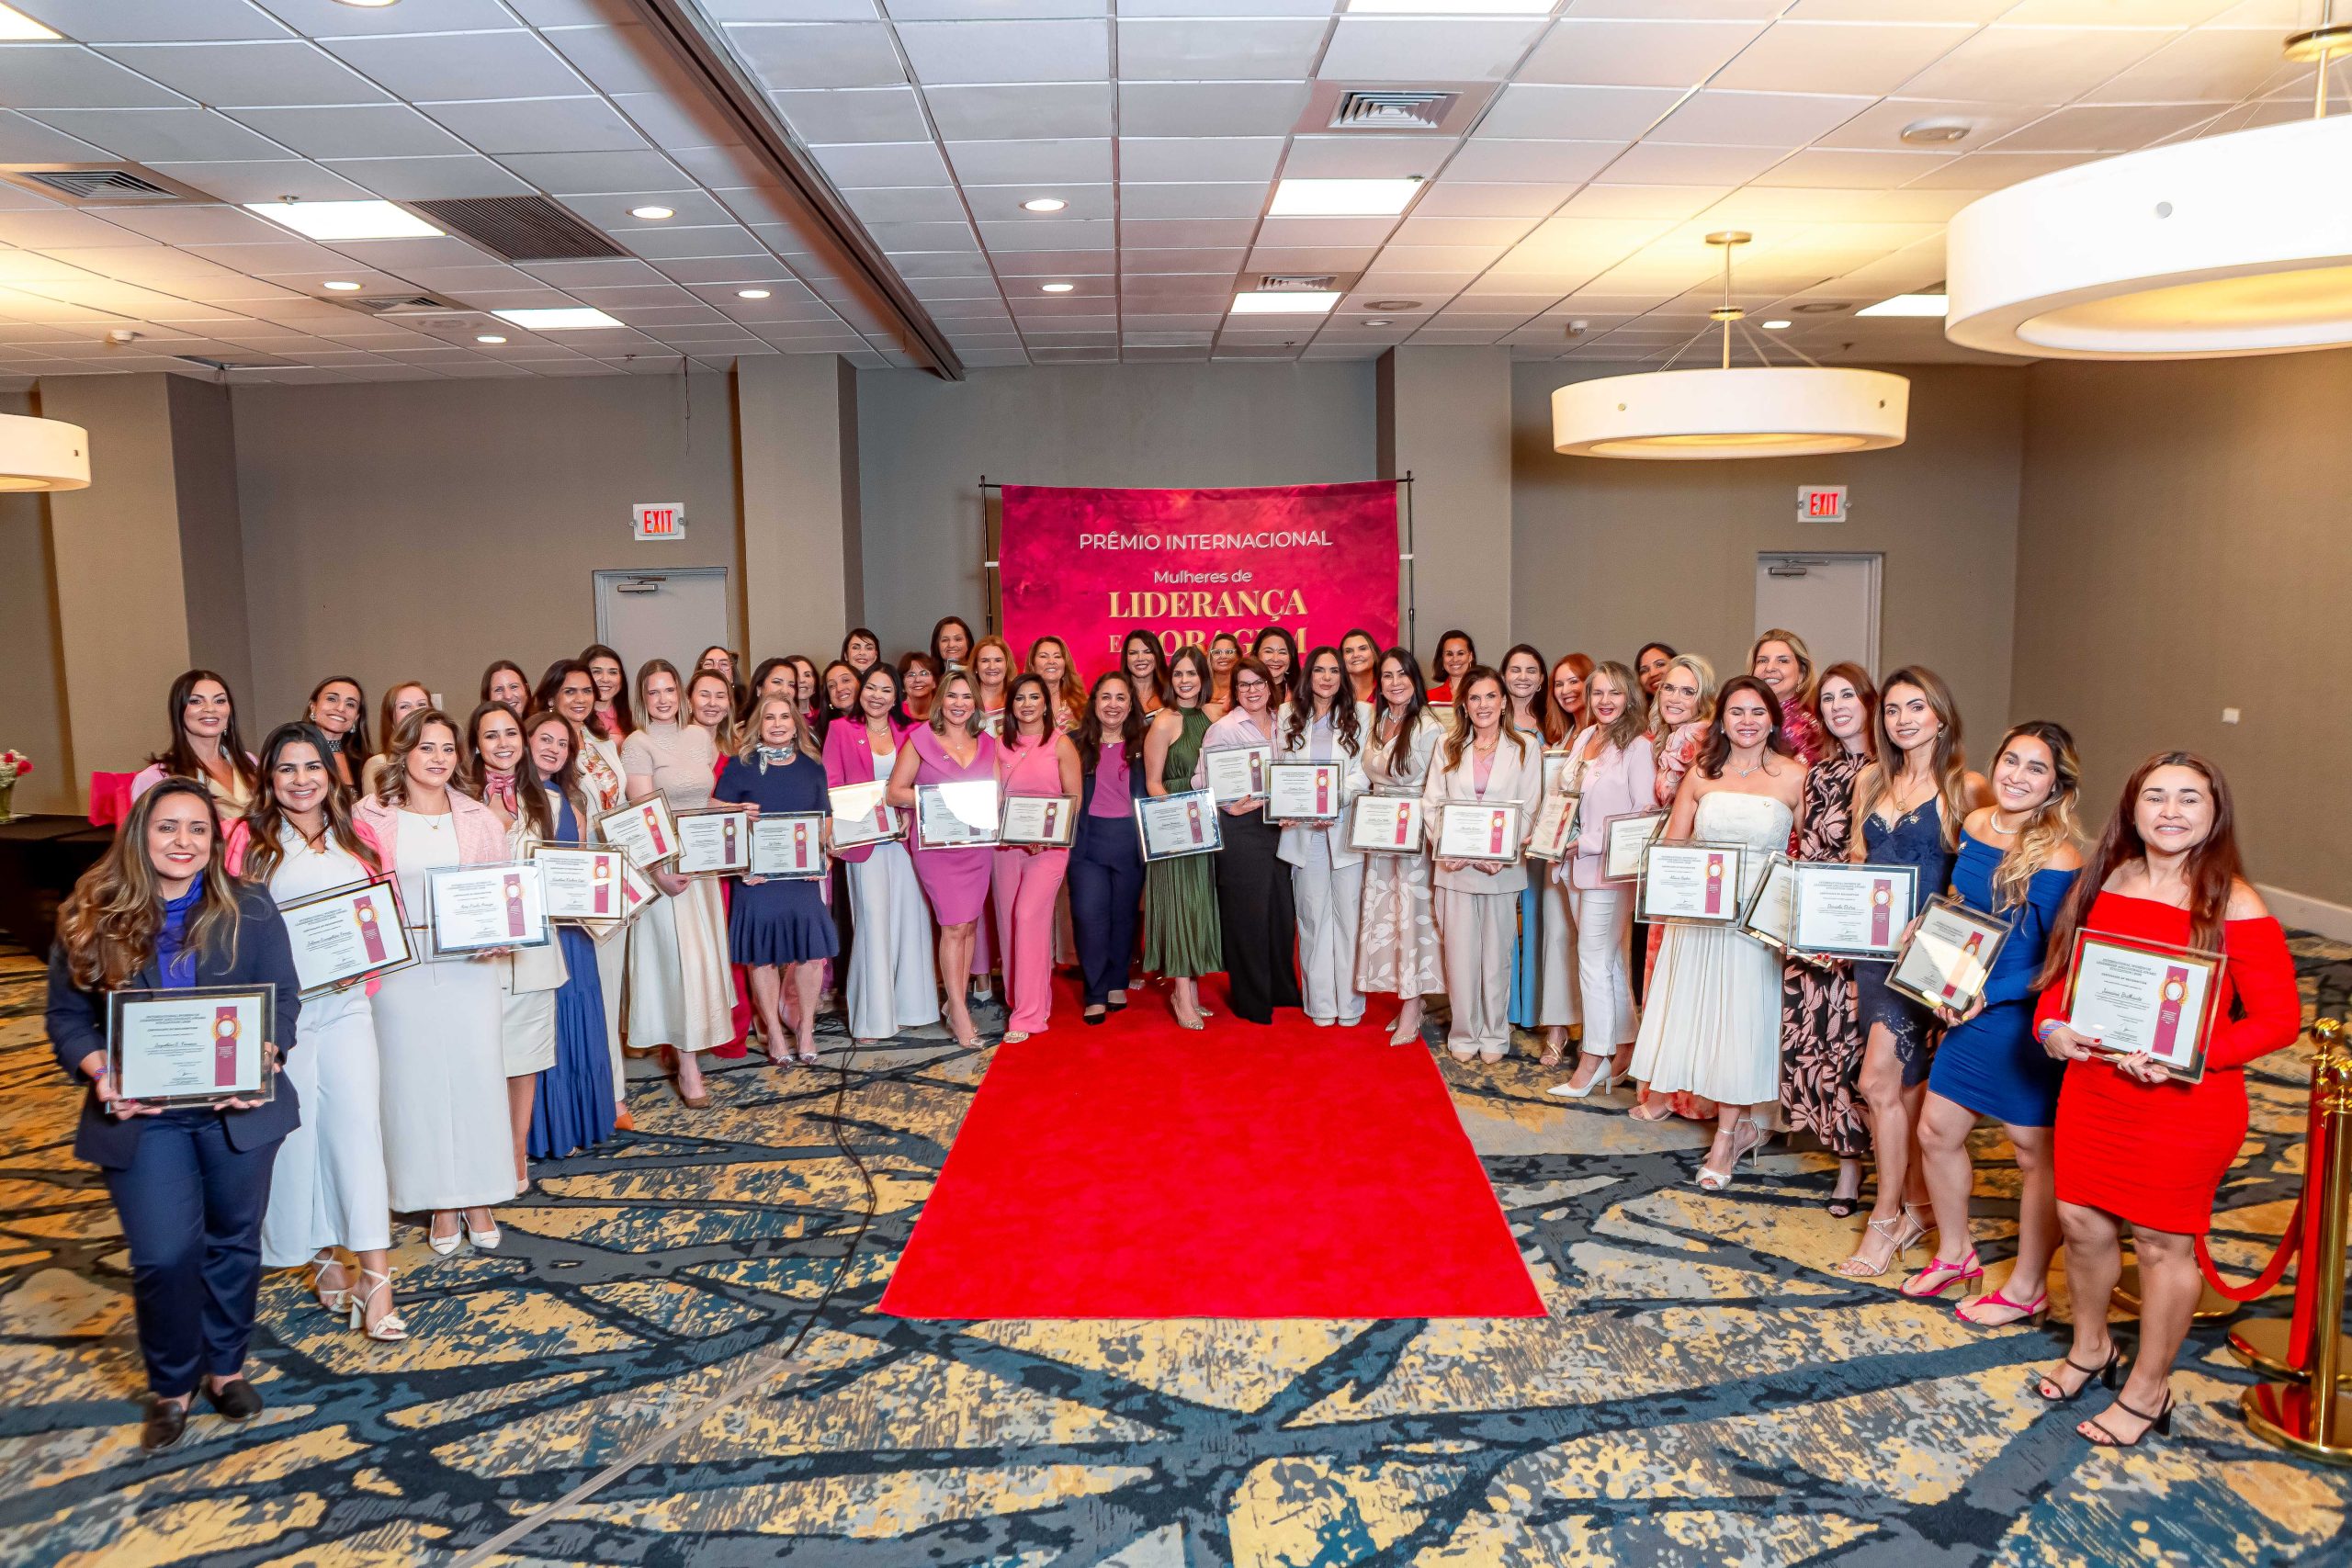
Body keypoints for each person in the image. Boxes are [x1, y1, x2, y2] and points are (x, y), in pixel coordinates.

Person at [2030, 753, 2298, 1448]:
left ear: (2215, 814)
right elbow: (2068, 974)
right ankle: (2092, 1347)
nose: (2171, 811)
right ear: (2132, 807)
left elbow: (2278, 1019)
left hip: (2186, 1101)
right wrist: (2053, 1025)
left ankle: (2150, 1388)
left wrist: (2191, 1057)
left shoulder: (2232, 899)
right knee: (2080, 1221)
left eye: (2189, 798)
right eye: (2155, 796)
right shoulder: (2109, 877)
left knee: (2160, 1244)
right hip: (2096, 1085)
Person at [46, 779, 303, 1450]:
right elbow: (67, 1017)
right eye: (168, 827)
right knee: (163, 1254)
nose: (183, 841)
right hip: (142, 1113)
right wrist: (101, 1072)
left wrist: (266, 1056)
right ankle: (171, 1381)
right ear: (140, 833)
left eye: (198, 828)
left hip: (235, 1108)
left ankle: (225, 1367)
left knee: (233, 1242)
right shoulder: (92, 908)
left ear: (215, 841)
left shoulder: (249, 905)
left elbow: (282, 998)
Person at [231, 724, 401, 1342]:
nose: (301, 780)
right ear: (268, 780)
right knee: (299, 1140)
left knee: (359, 1130)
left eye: (313, 766)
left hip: (351, 1005)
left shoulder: (359, 834)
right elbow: (235, 935)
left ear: (330, 772)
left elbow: (388, 911)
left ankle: (377, 1278)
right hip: (285, 1018)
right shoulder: (249, 844)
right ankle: (323, 1253)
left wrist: (373, 960)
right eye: (286, 769)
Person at [1909, 722, 2084, 1321]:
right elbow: (1965, 908)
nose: (2017, 775)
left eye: (2036, 768)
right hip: (1966, 1002)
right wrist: (1929, 940)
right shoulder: (1977, 822)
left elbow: (2054, 958)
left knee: (2033, 1153)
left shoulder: (2059, 855)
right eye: (2011, 759)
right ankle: (1957, 1252)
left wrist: (1989, 993)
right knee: (1936, 1131)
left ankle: (2029, 1283)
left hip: (2021, 1015)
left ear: (2056, 784)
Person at [1837, 666, 1991, 1278]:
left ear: (1941, 714)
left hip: (1928, 953)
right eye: (1894, 709)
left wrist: (1937, 923)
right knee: (1897, 1089)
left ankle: (1885, 1217)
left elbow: (1977, 880)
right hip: (1871, 950)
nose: (1903, 719)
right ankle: (1917, 1207)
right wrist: (1834, 922)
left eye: (1916, 707)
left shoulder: (1967, 786)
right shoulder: (1872, 778)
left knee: (1879, 1083)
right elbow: (1857, 860)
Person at [1627, 676, 1807, 1188]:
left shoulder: (1795, 776)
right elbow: (1671, 846)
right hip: (1702, 918)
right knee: (1708, 1019)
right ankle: (1740, 1121)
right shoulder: (1701, 774)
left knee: (1742, 1021)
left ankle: (1727, 1138)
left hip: (1757, 920)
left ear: (1772, 717)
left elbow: (1814, 855)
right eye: (1736, 711)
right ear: (1721, 719)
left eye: (1757, 711)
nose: (1747, 721)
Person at [353, 710, 515, 1258]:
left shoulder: (479, 817)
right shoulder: (369, 816)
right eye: (427, 748)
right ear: (403, 753)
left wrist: (501, 933)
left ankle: (479, 1197)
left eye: (448, 748)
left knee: (476, 1075)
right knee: (414, 1080)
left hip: (470, 964)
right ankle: (439, 1201)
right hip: (403, 967)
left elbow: (502, 893)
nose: (439, 758)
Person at [1776, 662, 1875, 1213]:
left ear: (1869, 702)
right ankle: (1847, 1165)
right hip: (1814, 929)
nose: (1838, 707)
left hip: (1859, 935)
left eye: (1848, 697)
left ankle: (1891, 1170)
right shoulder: (1818, 772)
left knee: (1855, 1051)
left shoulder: (1888, 771)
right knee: (1819, 1047)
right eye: (1829, 699)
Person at [622, 660, 734, 1106]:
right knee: (678, 963)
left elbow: (699, 798)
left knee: (700, 961)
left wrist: (732, 809)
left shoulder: (698, 737)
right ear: (642, 698)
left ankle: (685, 1049)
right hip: (666, 865)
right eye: (654, 692)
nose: (664, 699)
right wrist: (658, 874)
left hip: (701, 863)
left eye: (670, 690)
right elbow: (640, 815)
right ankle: (688, 1065)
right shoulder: (637, 744)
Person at [1548, 662, 1657, 1100]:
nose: (1604, 701)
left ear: (1630, 696)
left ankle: (1594, 1057)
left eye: (1614, 693)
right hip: (1575, 866)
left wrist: (1587, 841)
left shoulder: (1637, 747)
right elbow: (1566, 798)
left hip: (1609, 870)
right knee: (1606, 959)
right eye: (1597, 693)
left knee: (1592, 961)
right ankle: (1624, 1047)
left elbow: (1644, 814)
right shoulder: (1584, 738)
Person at [467, 702, 562, 1187]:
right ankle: (481, 1157)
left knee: (524, 1059)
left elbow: (561, 874)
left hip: (531, 951)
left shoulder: (548, 800)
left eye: (511, 733)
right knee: (479, 1056)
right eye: (490, 735)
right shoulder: (455, 801)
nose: (502, 744)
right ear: (476, 744)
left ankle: (517, 1153)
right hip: (476, 954)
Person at [1422, 668, 1540, 1062]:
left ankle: (1494, 1032)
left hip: (1500, 871)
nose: (1483, 705)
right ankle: (1463, 1031)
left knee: (1497, 955)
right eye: (1475, 698)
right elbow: (1432, 803)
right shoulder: (1447, 745)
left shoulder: (1524, 747)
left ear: (1504, 701)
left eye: (1491, 696)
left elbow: (1529, 807)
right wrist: (1444, 845)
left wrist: (1500, 854)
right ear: (1465, 705)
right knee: (1459, 955)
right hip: (1454, 869)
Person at [715, 695, 838, 1065]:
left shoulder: (812, 767)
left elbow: (825, 818)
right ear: (758, 723)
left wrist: (824, 852)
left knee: (812, 956)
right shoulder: (740, 766)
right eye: (770, 717)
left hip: (800, 877)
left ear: (796, 722)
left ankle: (805, 1030)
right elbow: (718, 817)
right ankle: (773, 1035)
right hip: (756, 879)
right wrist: (739, 863)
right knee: (762, 958)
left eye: (786, 716)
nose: (778, 723)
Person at [519, 710, 616, 1157]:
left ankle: (575, 1123)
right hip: (531, 930)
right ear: (526, 740)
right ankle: (538, 1131)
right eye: (545, 738)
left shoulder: (573, 806)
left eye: (562, 743)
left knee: (576, 1016)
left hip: (572, 931)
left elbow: (581, 874)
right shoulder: (505, 799)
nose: (554, 748)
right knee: (542, 1025)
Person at [826, 663, 940, 1043]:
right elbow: (832, 784)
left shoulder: (910, 732)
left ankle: (910, 1007)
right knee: (873, 921)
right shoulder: (842, 730)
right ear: (861, 691)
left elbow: (918, 782)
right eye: (871, 687)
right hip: (863, 842)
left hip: (902, 842)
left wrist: (908, 813)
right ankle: (872, 1019)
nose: (877, 696)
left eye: (886, 690)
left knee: (910, 919)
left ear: (897, 697)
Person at [538, 659, 629, 1129]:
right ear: (551, 696)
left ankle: (612, 1093)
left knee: (606, 990)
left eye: (587, 690)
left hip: (609, 881)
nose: (580, 699)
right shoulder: (543, 747)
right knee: (571, 995)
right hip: (565, 886)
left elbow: (624, 809)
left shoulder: (603, 745)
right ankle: (575, 1101)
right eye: (569, 691)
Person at [887, 670, 997, 1048]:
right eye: (953, 696)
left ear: (976, 704)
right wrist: (934, 801)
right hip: (937, 848)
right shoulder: (919, 740)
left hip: (977, 846)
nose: (960, 704)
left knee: (968, 926)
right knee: (952, 926)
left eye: (967, 697)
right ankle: (961, 1012)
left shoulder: (987, 744)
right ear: (941, 701)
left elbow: (996, 795)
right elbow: (895, 791)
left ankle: (956, 1001)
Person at [1195, 657, 1299, 1025]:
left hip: (1281, 827)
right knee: (1248, 917)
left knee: (1281, 915)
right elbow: (1200, 780)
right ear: (1234, 690)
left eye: (1259, 683)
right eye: (1244, 685)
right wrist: (1228, 805)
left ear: (1271, 686)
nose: (1252, 691)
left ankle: (1283, 992)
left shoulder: (1286, 723)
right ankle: (1252, 1001)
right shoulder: (1223, 729)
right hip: (1241, 828)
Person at [1276, 647, 1373, 1028]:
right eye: (1320, 670)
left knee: (1348, 917)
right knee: (1313, 917)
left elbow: (1363, 771)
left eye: (1334, 671)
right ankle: (1320, 1003)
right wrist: (1299, 806)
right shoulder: (1287, 714)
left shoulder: (1361, 714)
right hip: (1303, 833)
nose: (1327, 677)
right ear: (1309, 676)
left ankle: (1350, 1005)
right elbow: (1281, 770)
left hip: (1344, 827)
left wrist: (1329, 802)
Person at [1356, 648, 1445, 1045]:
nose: (1395, 682)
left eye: (1402, 674)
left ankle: (1414, 1003)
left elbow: (1437, 788)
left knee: (1412, 918)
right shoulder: (1377, 721)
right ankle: (1405, 995)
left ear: (1415, 678)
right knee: (1388, 918)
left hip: (1412, 835)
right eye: (1388, 675)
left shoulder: (1429, 726)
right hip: (1378, 835)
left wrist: (1423, 830)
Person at [994, 673, 1081, 1042]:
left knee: (1027, 917)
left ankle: (1029, 1015)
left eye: (1035, 697)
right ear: (1011, 705)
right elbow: (993, 798)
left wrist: (1045, 838)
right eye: (1020, 698)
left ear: (1047, 704)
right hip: (1005, 849)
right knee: (1007, 924)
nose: (1027, 704)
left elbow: (1073, 802)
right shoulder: (997, 745)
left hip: (1049, 850)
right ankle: (1021, 998)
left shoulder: (1061, 745)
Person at [1140, 646, 1223, 1031]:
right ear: (1170, 679)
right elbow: (1153, 783)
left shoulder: (1215, 715)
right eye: (1179, 674)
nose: (1185, 681)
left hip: (1210, 825)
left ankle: (1190, 990)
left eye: (1192, 674)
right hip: (1176, 828)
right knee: (1179, 904)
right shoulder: (1164, 722)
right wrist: (1180, 817)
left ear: (1204, 677)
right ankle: (1182, 992)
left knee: (1200, 905)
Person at [1066, 671, 1151, 1025]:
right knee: (1089, 916)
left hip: (1130, 841)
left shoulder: (1145, 744)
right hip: (1087, 842)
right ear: (1094, 702)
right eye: (1106, 697)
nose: (1112, 705)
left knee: (1124, 916)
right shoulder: (1073, 743)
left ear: (1131, 705)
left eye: (1120, 698)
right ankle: (1095, 991)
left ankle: (1117, 981)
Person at [1502, 646, 1574, 1063]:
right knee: (1501, 924)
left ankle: (1544, 1014)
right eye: (1516, 669)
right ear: (1503, 674)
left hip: (1546, 840)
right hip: (1504, 836)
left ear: (1542, 677)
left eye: (1532, 670)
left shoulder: (1557, 721)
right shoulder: (1490, 714)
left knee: (1546, 924)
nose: (1523, 677)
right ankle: (1507, 1007)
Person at [131, 669, 260, 813]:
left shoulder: (251, 763)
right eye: (196, 701)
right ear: (178, 712)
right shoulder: (155, 778)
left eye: (220, 701)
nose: (210, 709)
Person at [1751, 629, 1827, 764]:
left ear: (1802, 674)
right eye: (1762, 661)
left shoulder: (1804, 728)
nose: (1770, 668)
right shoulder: (1740, 717)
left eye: (1782, 661)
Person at [359, 682, 431, 798]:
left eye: (422, 705)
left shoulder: (447, 758)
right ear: (391, 719)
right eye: (404, 706)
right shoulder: (379, 764)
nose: (415, 711)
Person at [304, 676, 368, 789]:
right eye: (332, 699)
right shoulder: (292, 754)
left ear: (356, 717)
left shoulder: (366, 763)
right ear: (313, 707)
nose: (340, 708)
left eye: (350, 704)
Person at [1027, 635, 1087, 732]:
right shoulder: (1022, 704)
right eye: (1043, 656)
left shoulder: (1081, 704)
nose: (1051, 661)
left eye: (1057, 656)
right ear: (1032, 665)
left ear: (1065, 665)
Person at [580, 645, 636, 742]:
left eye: (613, 672)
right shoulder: (574, 719)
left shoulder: (635, 719)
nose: (605, 679)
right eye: (597, 672)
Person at [1122, 628, 1174, 716]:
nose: (1140, 658)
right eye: (1133, 653)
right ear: (1126, 658)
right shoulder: (1116, 694)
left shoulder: (1172, 692)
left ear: (1157, 655)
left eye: (1147, 652)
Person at [689, 666, 741, 755]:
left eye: (720, 696)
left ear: (729, 704)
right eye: (704, 695)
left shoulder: (738, 750)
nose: (712, 703)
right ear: (689, 701)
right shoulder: (672, 745)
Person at [970, 634, 1015, 734]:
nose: (992, 667)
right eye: (985, 661)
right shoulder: (966, 702)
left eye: (998, 660)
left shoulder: (1018, 700)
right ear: (976, 667)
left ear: (1007, 665)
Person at [1251, 626, 1300, 706]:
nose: (1275, 659)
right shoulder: (1242, 691)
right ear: (1256, 654)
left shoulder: (1303, 693)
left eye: (1282, 652)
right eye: (1268, 651)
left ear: (1291, 657)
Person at [1427, 630, 1476, 705]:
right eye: (1449, 654)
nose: (1455, 659)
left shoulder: (1483, 693)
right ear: (1442, 658)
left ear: (1470, 656)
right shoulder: (1429, 697)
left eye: (1460, 653)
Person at [818, 659, 862, 741]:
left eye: (845, 680)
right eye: (831, 686)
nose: (839, 688)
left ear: (861, 683)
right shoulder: (824, 731)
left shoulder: (880, 722)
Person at [696, 645, 745, 716]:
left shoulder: (746, 715)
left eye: (724, 664)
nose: (716, 668)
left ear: (732, 677)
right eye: (709, 664)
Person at [1340, 627, 1381, 705]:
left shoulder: (1387, 691)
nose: (1356, 655)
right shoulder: (1333, 693)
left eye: (1362, 649)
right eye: (1349, 651)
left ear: (1374, 653)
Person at [899, 651, 941, 724]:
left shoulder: (944, 714)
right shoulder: (894, 715)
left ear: (934, 682)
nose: (917, 680)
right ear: (902, 686)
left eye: (924, 674)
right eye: (910, 675)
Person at [1207, 631, 1241, 708]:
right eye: (1217, 652)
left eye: (1229, 652)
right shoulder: (1200, 688)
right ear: (1210, 657)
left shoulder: (1246, 688)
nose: (1223, 656)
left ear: (1238, 657)